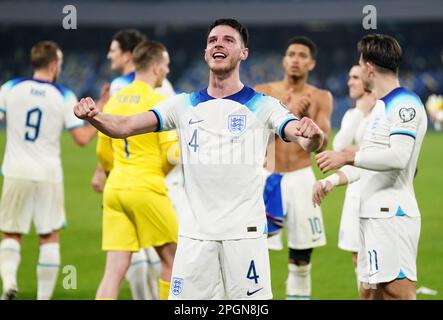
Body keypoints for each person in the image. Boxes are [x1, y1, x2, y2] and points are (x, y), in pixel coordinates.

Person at [74, 18, 325, 300]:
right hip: (195, 237)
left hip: (244, 235)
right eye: (212, 40)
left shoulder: (263, 105)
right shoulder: (182, 105)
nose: (219, 44)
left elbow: (303, 137)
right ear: (206, 53)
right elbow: (125, 126)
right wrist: (94, 117)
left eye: (228, 40)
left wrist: (312, 136)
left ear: (244, 53)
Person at [312, 34, 427, 300]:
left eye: (360, 62)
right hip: (373, 216)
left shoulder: (404, 104)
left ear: (369, 67)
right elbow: (370, 163)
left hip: (393, 215)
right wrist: (331, 180)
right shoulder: (380, 108)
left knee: (398, 294)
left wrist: (348, 156)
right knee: (369, 294)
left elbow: (398, 157)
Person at [0, 40, 97, 300]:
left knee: (11, 232)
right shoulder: (63, 95)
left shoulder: (10, 88)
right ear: (54, 63)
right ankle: (43, 298)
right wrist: (103, 110)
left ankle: (8, 284)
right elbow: (82, 139)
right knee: (49, 236)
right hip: (48, 174)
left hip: (15, 170)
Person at [92, 29, 177, 300]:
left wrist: (112, 174)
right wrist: (158, 174)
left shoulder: (115, 100)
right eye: (165, 65)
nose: (167, 70)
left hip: (115, 187)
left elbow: (103, 152)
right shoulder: (159, 103)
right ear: (155, 66)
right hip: (146, 185)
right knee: (174, 261)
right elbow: (172, 154)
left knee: (114, 270)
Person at [254, 36, 333, 300]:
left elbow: (322, 145)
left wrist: (304, 121)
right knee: (253, 252)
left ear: (311, 63)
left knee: (301, 258)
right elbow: (251, 139)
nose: (295, 59)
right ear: (284, 60)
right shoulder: (263, 90)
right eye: (291, 54)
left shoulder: (320, 97)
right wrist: (286, 113)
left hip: (301, 178)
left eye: (302, 55)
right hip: (267, 177)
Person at [332, 64, 376, 292]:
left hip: (376, 195)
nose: (349, 81)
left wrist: (356, 151)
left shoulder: (381, 113)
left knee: (377, 267)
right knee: (358, 261)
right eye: (349, 76)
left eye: (355, 77)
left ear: (369, 80)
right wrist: (359, 111)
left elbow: (376, 151)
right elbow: (339, 146)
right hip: (353, 194)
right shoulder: (352, 114)